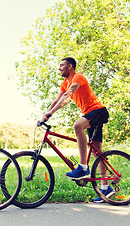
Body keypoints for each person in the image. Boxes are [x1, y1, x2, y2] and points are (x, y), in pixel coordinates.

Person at [40, 57, 114, 203]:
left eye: (62, 65)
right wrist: (45, 115)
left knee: (77, 126)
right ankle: (106, 188)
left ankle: (83, 167)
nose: (59, 68)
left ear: (70, 66)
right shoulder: (64, 83)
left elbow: (67, 96)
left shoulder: (77, 77)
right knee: (96, 151)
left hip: (98, 111)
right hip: (90, 114)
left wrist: (51, 113)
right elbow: (57, 100)